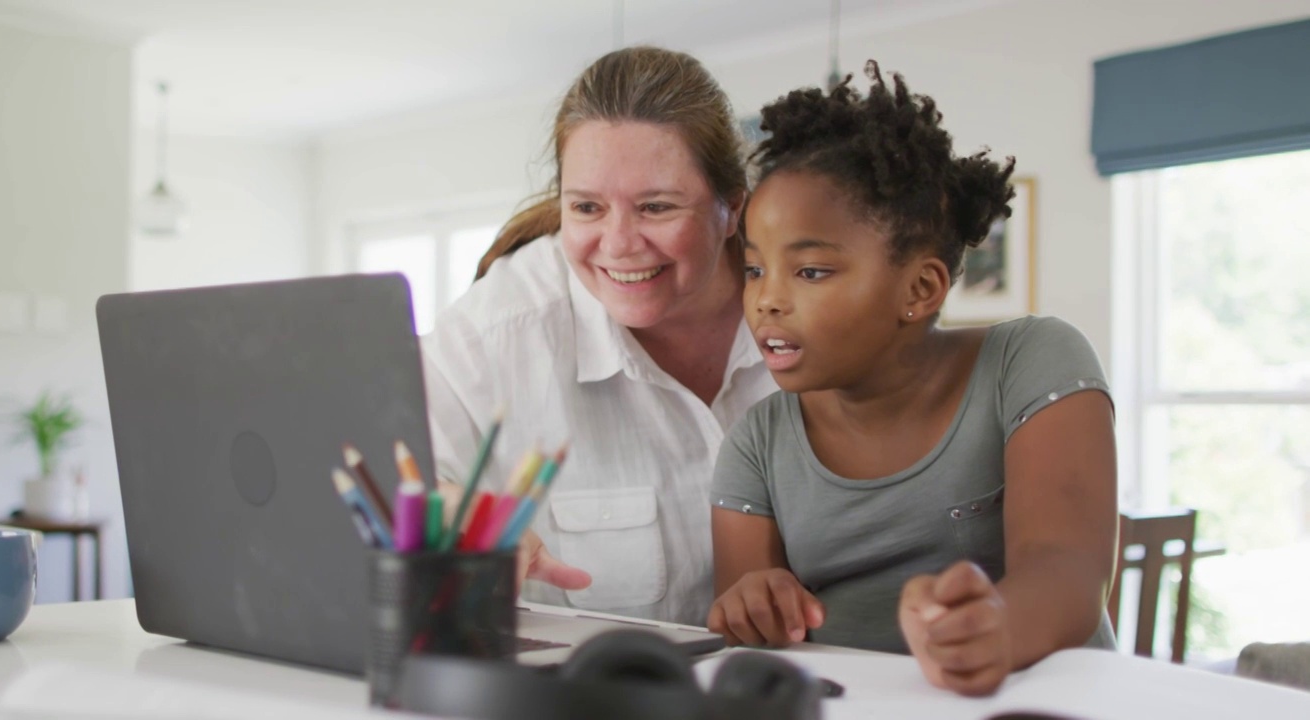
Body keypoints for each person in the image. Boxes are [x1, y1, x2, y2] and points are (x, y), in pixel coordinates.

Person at [707, 62, 1117, 696]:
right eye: (756, 270)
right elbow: (756, 641)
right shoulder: (756, 446)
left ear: (920, 288)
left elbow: (1067, 571)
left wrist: (995, 624)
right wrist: (753, 603)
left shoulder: (1031, 363)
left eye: (811, 272)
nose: (766, 301)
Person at [422, 46, 778, 626]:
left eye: (656, 207)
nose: (618, 244)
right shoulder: (501, 327)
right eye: (587, 207)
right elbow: (387, 467)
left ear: (730, 208)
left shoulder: (808, 309)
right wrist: (453, 518)